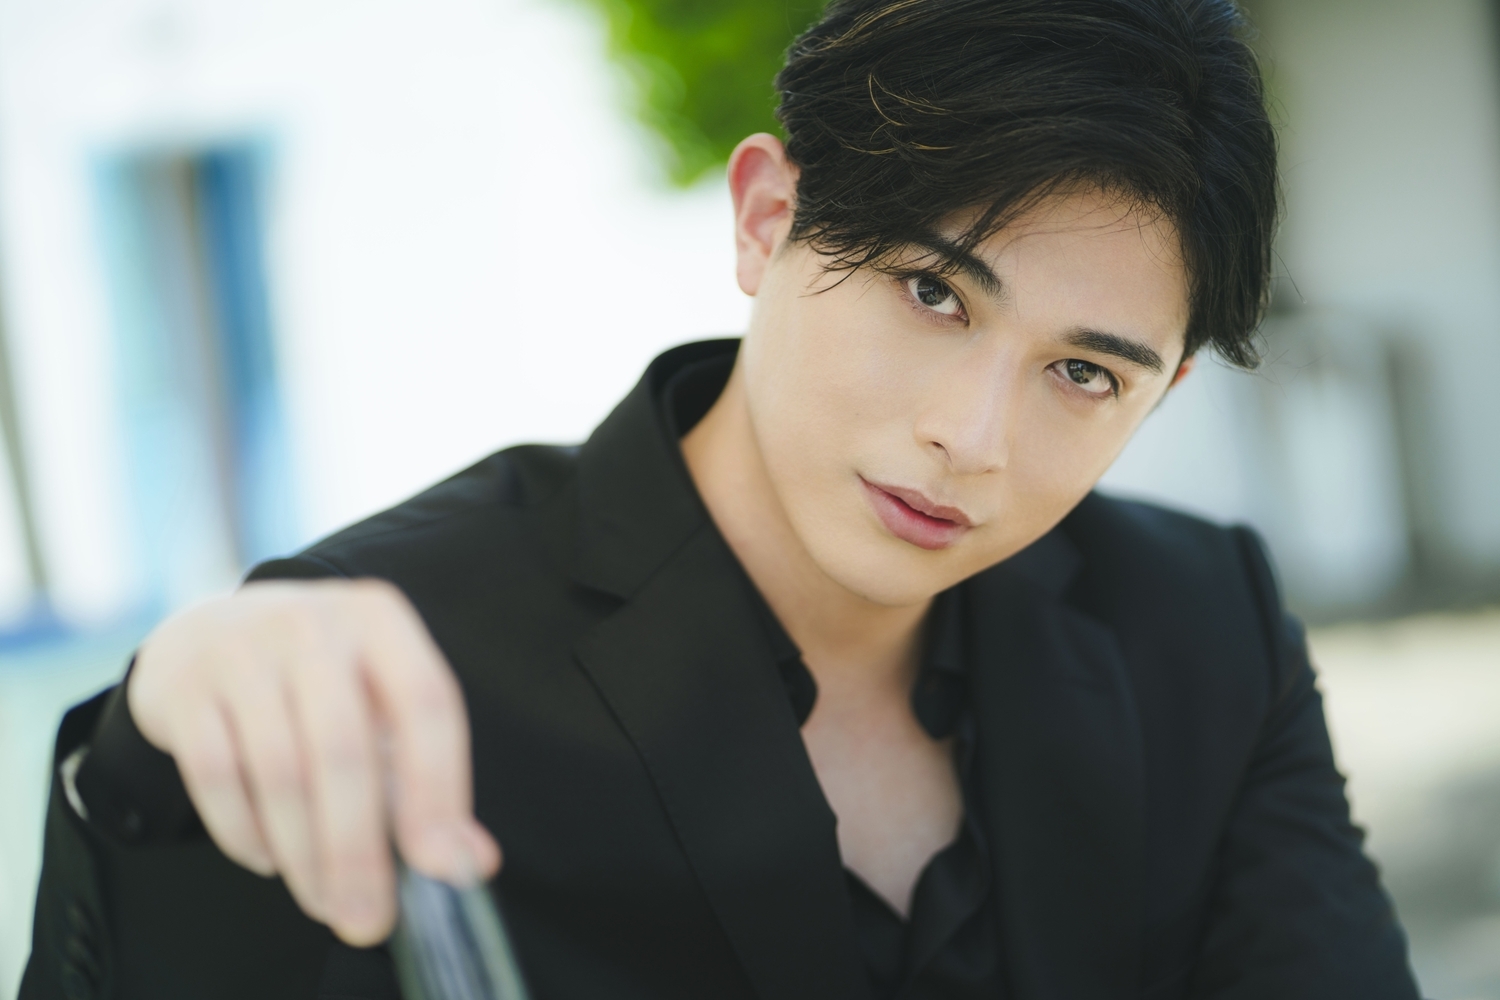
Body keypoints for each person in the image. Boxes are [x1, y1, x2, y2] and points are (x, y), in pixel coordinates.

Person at [22, 0, 1421, 997]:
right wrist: (152, 734)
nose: (972, 437)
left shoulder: (1203, 621)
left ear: (1160, 395)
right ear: (766, 220)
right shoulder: (382, 653)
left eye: (1083, 373)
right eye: (931, 292)